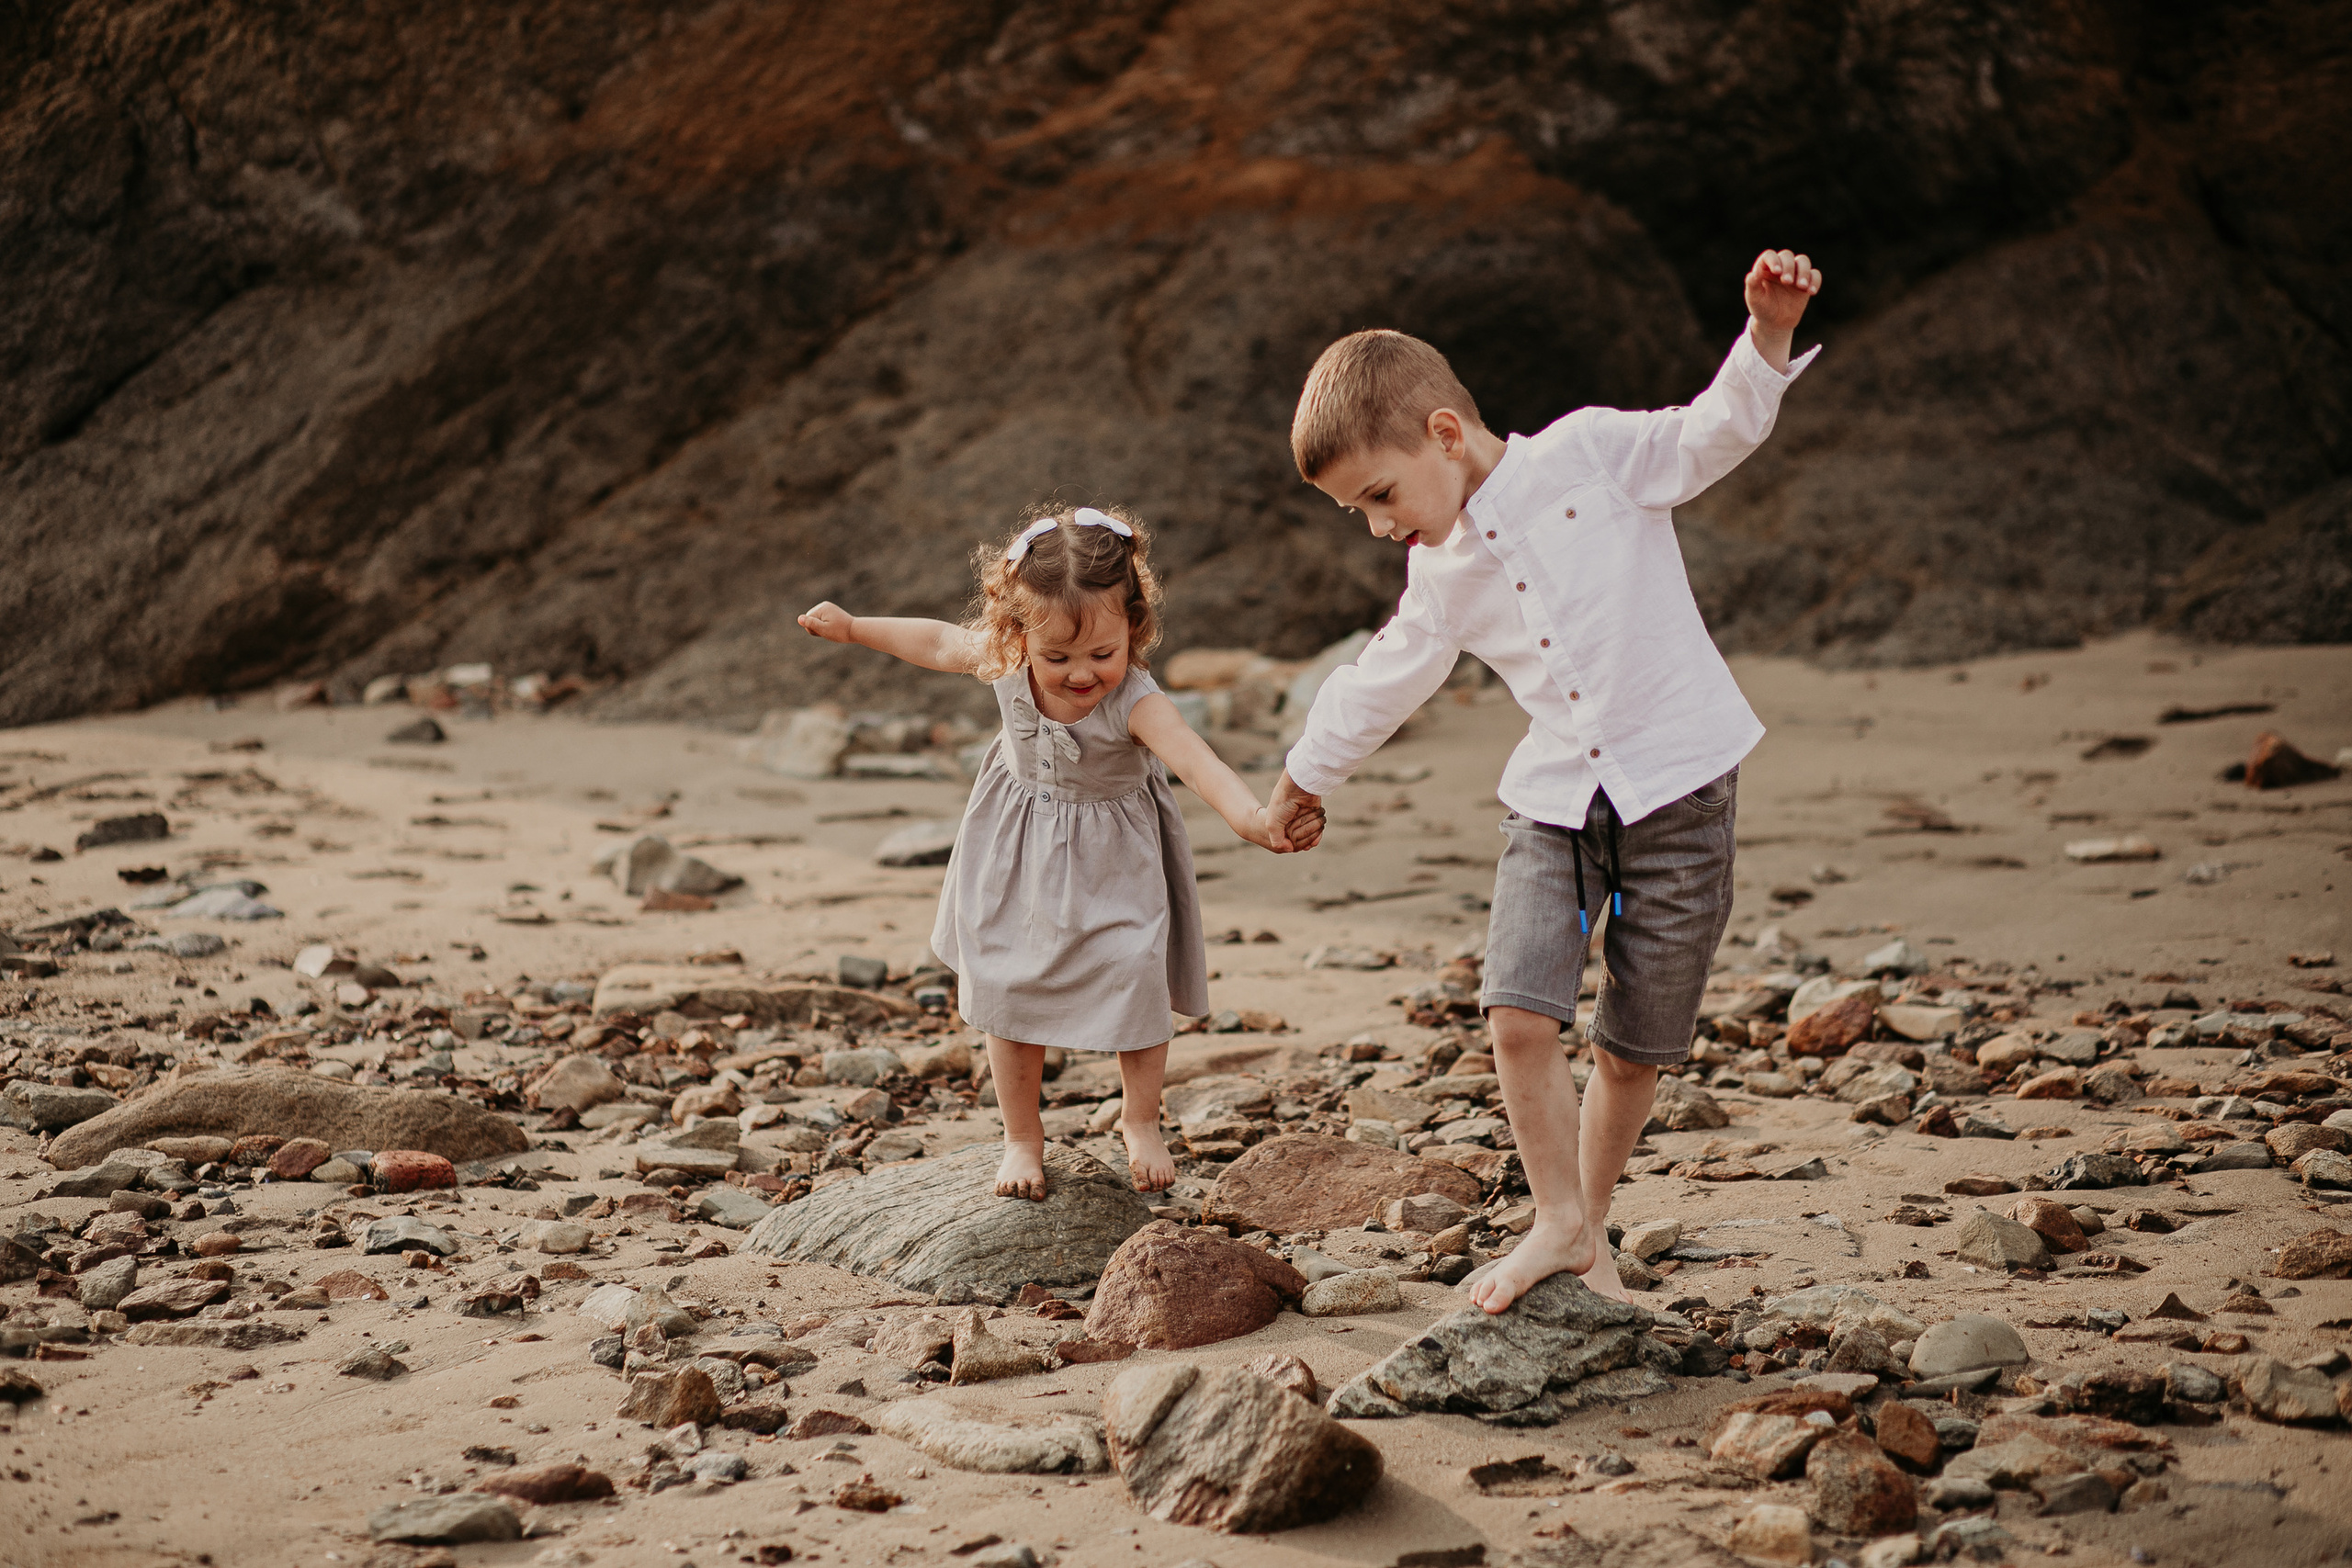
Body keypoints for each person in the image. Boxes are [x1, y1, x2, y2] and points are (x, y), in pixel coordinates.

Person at [1270, 249, 1825, 1312]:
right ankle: (1556, 1219)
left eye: (1380, 495)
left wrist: (1764, 339)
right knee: (1518, 1016)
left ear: (1442, 433)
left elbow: (1711, 432)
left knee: (1629, 1049)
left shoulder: (1592, 454)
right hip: (1556, 808)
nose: (1382, 525)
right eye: (1358, 514)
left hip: (1679, 796)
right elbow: (1382, 679)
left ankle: (1589, 1231)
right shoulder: (1437, 574)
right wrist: (1302, 778)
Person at [798, 505, 1324, 1201]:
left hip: (1117, 858)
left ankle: (1140, 1117)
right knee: (1008, 985)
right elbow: (933, 639)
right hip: (1016, 849)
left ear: (1132, 631)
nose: (1081, 674)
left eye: (1102, 654)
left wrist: (1255, 819)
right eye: (1059, 657)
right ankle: (1022, 1133)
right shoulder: (1004, 659)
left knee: (1136, 971)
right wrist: (855, 628)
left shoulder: (1136, 698)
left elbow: (1198, 764)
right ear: (1017, 635)